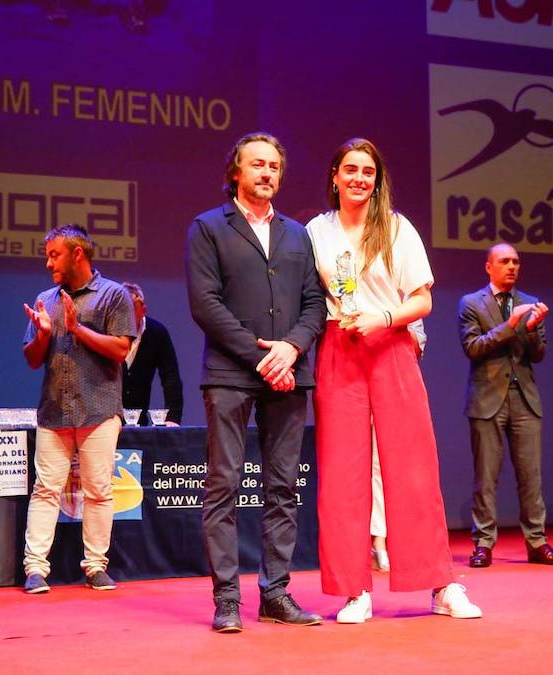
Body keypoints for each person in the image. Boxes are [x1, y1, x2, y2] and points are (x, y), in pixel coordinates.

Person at [307, 137, 481, 623]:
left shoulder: (397, 228)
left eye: (368, 171)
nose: (360, 178)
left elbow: (422, 300)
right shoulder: (314, 233)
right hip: (340, 350)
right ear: (335, 176)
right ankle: (353, 591)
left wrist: (383, 318)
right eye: (351, 170)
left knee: (414, 468)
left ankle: (441, 586)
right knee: (341, 476)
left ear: (377, 180)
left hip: (392, 346)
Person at [186, 132, 326, 633]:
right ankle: (227, 599)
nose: (266, 173)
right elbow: (205, 304)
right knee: (223, 485)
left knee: (282, 487)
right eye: (256, 165)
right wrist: (260, 356)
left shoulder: (297, 234)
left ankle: (275, 593)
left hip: (290, 372)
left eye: (273, 166)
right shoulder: (208, 227)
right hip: (229, 374)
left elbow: (315, 304)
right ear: (236, 173)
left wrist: (291, 349)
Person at [21, 224, 137, 594]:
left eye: (53, 255)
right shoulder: (46, 299)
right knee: (45, 490)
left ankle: (95, 566)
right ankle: (36, 569)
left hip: (99, 409)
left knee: (99, 491)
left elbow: (121, 350)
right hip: (54, 411)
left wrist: (77, 329)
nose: (47, 263)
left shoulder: (113, 295)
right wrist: (42, 335)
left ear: (77, 254)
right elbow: (31, 359)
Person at [458, 243, 553, 568]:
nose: (512, 267)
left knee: (530, 475)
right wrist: (510, 326)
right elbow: (473, 348)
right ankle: (483, 544)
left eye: (516, 262)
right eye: (504, 261)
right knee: (486, 477)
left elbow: (539, 354)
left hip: (525, 398)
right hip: (487, 398)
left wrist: (531, 329)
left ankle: (537, 541)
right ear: (488, 266)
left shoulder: (530, 303)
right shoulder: (470, 303)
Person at [370, 319, 425, 572]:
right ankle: (378, 541)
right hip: (360, 376)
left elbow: (416, 347)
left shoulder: (408, 298)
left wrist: (393, 323)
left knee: (400, 466)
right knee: (373, 465)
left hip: (398, 380)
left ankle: (402, 540)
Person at [120, 282, 183, 426]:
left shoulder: (157, 333)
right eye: (121, 310)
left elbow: (170, 378)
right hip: (107, 423)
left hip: (140, 422)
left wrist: (172, 418)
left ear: (143, 310)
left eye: (131, 309)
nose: (125, 316)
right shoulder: (106, 331)